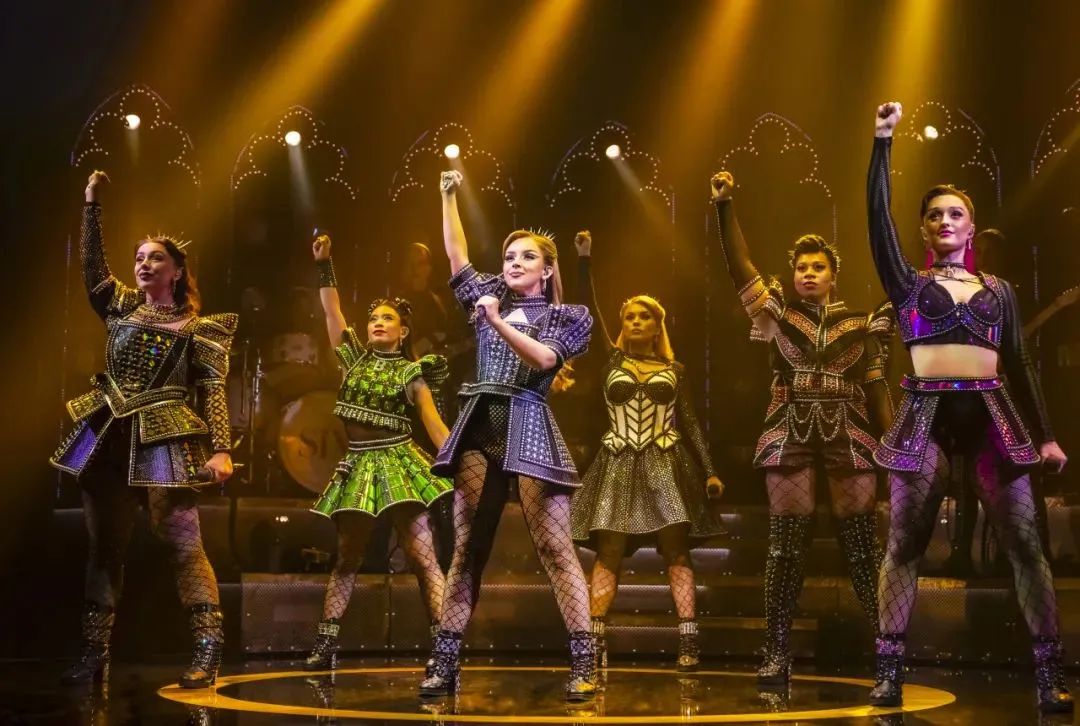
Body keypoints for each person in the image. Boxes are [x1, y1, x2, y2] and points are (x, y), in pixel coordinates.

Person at [867, 102, 1071, 713]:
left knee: (1025, 543)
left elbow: (1021, 364)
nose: (944, 221)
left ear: (971, 228)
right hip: (924, 418)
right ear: (923, 230)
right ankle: (888, 671)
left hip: (991, 416)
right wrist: (882, 142)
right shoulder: (908, 283)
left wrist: (1047, 435)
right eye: (934, 215)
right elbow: (877, 220)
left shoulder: (999, 292)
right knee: (904, 542)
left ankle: (1049, 675)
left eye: (955, 213)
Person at [51, 171, 237, 688]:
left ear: (176, 271)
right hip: (109, 432)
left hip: (165, 435)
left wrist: (221, 448)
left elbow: (214, 390)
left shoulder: (200, 329)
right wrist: (92, 205)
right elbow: (92, 269)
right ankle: (94, 655)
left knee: (182, 543)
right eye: (139, 257)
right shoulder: (119, 306)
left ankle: (208, 650)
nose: (144, 264)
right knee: (105, 548)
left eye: (155, 257)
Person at [711, 170, 894, 686]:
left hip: (851, 435)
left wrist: (895, 447)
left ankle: (888, 653)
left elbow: (877, 387)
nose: (808, 273)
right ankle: (775, 652)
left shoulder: (862, 322)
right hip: (788, 432)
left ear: (834, 275)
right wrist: (724, 206)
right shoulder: (777, 315)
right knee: (785, 547)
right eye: (801, 267)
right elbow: (740, 268)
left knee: (863, 549)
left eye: (818, 267)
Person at [419, 170, 597, 701]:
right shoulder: (487, 299)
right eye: (509, 256)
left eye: (526, 257)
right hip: (481, 424)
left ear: (547, 269)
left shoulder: (565, 316)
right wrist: (448, 194)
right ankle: (444, 660)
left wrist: (496, 321)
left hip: (529, 422)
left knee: (554, 546)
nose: (514, 263)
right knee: (468, 548)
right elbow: (456, 256)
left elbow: (543, 360)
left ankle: (585, 661)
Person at [569, 230, 725, 673]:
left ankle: (688, 641)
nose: (636, 322)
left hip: (664, 463)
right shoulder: (611, 362)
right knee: (609, 551)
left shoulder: (675, 370)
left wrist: (710, 471)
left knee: (676, 550)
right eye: (629, 317)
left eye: (644, 317)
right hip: (617, 463)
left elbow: (690, 423)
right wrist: (584, 259)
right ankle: (593, 643)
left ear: (658, 326)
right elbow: (587, 310)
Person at [302, 234, 454, 670]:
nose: (378, 323)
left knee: (422, 556)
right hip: (358, 463)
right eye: (373, 319)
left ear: (403, 332)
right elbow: (332, 311)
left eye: (388, 319)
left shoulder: (412, 373)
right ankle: (325, 644)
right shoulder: (353, 359)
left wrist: (458, 462)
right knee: (347, 557)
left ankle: (444, 647)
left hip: (399, 462)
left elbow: (434, 425)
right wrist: (324, 264)